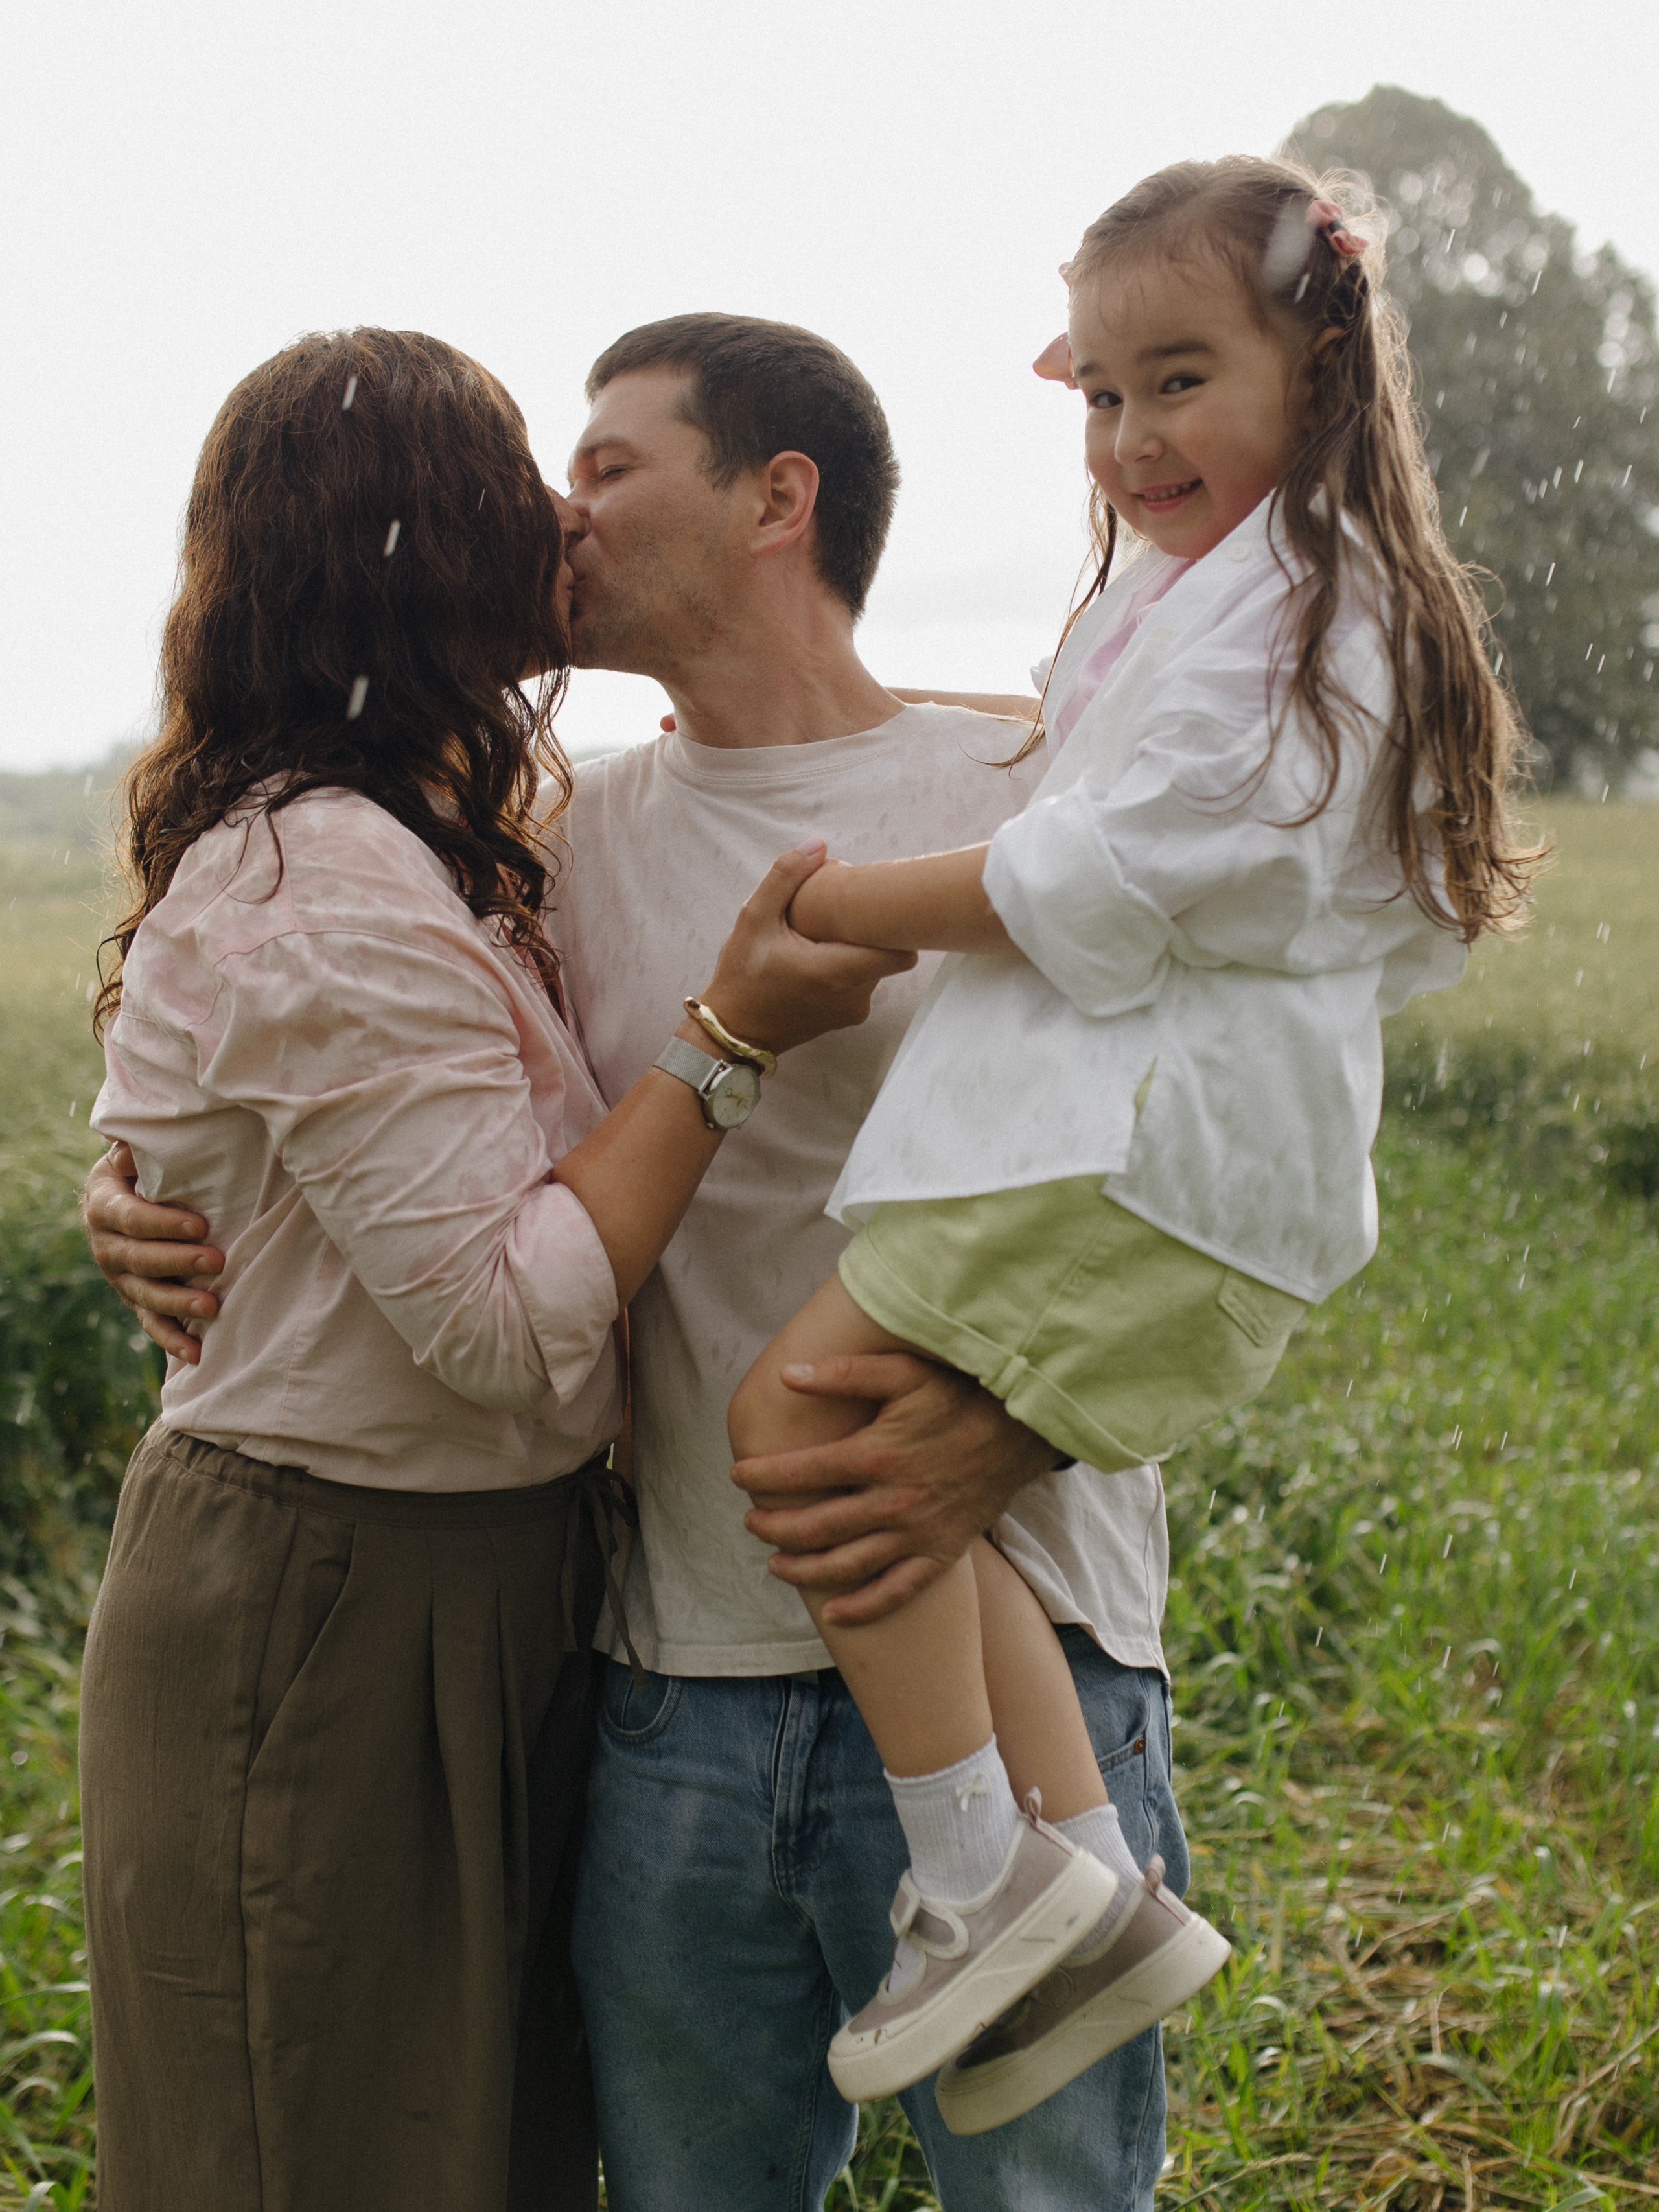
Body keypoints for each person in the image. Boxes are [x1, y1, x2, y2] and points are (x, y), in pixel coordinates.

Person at [86, 314, 1179, 2211]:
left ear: (780, 499)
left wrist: (1011, 1441)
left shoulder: (1033, 800)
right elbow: (352, 1099)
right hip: (671, 1682)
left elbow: (1219, 1198)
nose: (555, 517)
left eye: (601, 468)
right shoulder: (546, 848)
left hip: (1024, 1667)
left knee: (1055, 2201)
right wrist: (140, 1195)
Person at [727, 155, 1538, 2135]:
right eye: (1100, 395)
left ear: (1321, 362)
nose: (1133, 436)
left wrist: (833, 906)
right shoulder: (1246, 598)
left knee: (793, 1412)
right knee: (900, 1476)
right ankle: (1072, 1885)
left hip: (1118, 1151)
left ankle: (994, 1878)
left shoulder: (1306, 605)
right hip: (1129, 1145)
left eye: (1178, 379)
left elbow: (1108, 865)